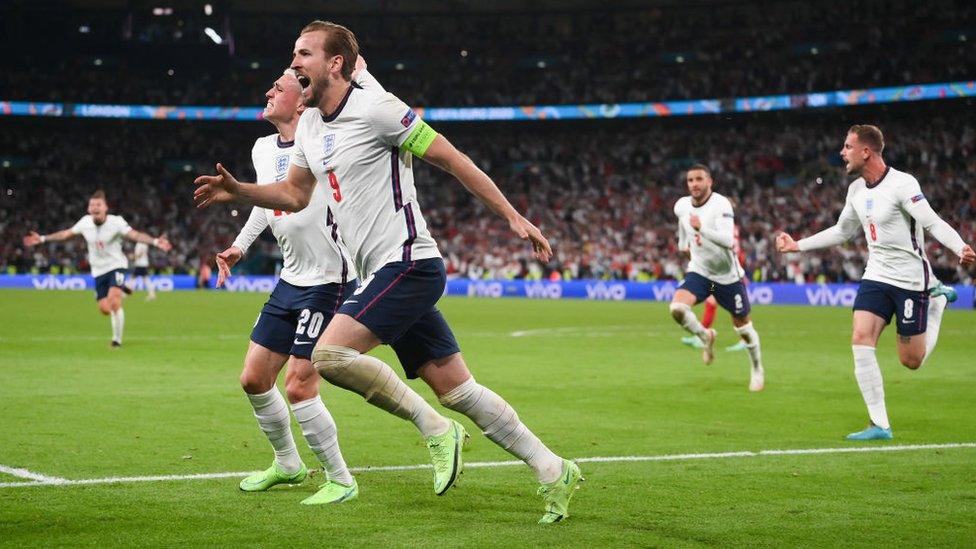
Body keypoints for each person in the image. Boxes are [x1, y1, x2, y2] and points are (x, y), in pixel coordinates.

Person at [194, 20, 581, 523]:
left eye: (304, 54)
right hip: (373, 275)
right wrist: (242, 191)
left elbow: (452, 158)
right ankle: (554, 469)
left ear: (335, 64)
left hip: (409, 263)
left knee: (328, 354)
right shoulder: (311, 123)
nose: (294, 64)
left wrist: (511, 215)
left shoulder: (377, 108)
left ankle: (437, 431)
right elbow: (293, 194)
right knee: (458, 389)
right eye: (294, 54)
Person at [216, 64, 380, 505]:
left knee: (300, 384)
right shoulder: (261, 147)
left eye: (279, 86)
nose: (269, 91)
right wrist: (239, 246)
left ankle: (341, 478)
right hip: (291, 277)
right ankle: (288, 463)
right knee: (253, 378)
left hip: (331, 279)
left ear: (301, 99)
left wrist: (358, 70)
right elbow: (266, 199)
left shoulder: (321, 135)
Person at [776, 124, 974, 440]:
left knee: (911, 361)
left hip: (911, 280)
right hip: (877, 276)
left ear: (866, 151)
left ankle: (936, 304)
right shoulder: (855, 190)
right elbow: (842, 231)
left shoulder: (902, 184)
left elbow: (932, 221)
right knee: (860, 337)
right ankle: (880, 425)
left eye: (847, 146)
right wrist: (797, 245)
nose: (842, 152)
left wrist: (959, 247)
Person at [23, 190, 172, 347]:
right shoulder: (85, 222)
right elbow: (65, 234)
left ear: (105, 207)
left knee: (114, 302)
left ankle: (117, 340)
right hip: (98, 270)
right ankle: (122, 289)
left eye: (98, 204)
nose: (95, 207)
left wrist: (155, 242)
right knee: (105, 310)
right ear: (88, 209)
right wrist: (43, 238)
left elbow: (135, 235)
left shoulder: (116, 222)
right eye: (92, 205)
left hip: (117, 265)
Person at [669, 165, 765, 392]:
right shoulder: (681, 205)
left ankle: (757, 368)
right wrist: (683, 243)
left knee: (743, 327)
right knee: (677, 308)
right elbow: (683, 225)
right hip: (701, 272)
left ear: (709, 182)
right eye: (690, 180)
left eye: (699, 179)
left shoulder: (721, 204)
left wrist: (701, 228)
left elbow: (727, 241)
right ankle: (705, 336)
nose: (694, 184)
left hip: (727, 277)